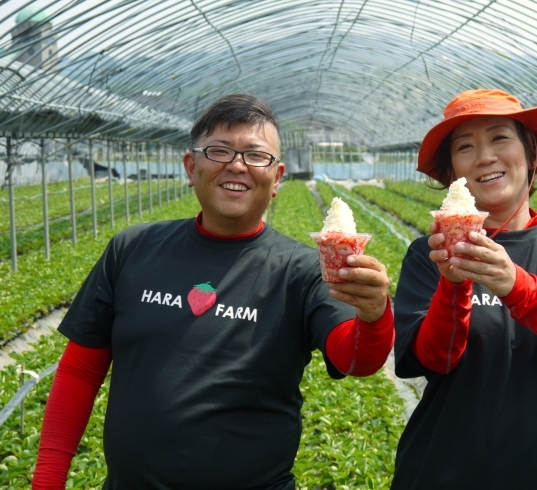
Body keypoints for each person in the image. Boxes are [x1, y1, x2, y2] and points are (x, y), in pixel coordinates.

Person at [32, 94, 394, 490]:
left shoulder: (304, 270)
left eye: (256, 156)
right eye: (219, 150)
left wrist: (373, 315)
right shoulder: (131, 250)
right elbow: (80, 370)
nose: (237, 165)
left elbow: (356, 359)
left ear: (277, 178)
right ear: (191, 167)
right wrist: (48, 479)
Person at [391, 89, 537, 489]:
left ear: (532, 155)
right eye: (466, 147)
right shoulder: (428, 255)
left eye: (500, 138)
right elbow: (435, 358)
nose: (485, 156)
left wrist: (516, 285)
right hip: (443, 470)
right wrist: (453, 284)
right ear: (452, 175)